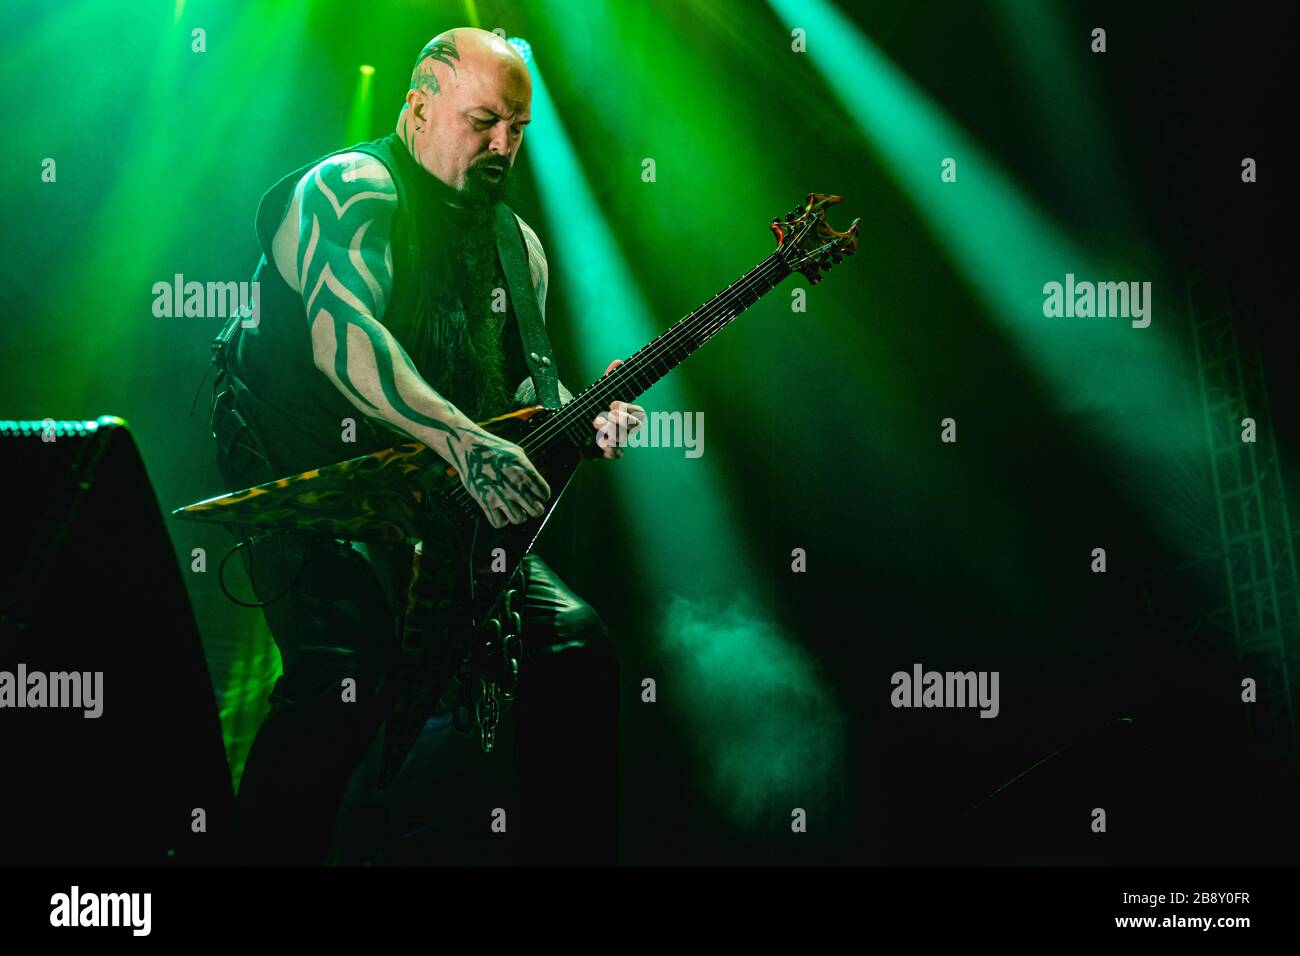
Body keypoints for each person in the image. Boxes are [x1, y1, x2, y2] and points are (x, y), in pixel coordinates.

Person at [207, 27, 644, 865]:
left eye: (518, 129)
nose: (502, 146)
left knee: (576, 648)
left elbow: (511, 397)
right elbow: (345, 340)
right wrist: (466, 443)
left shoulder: (516, 247)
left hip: (432, 494)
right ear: (418, 102)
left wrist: (578, 417)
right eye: (484, 121)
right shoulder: (352, 188)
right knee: (343, 673)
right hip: (311, 480)